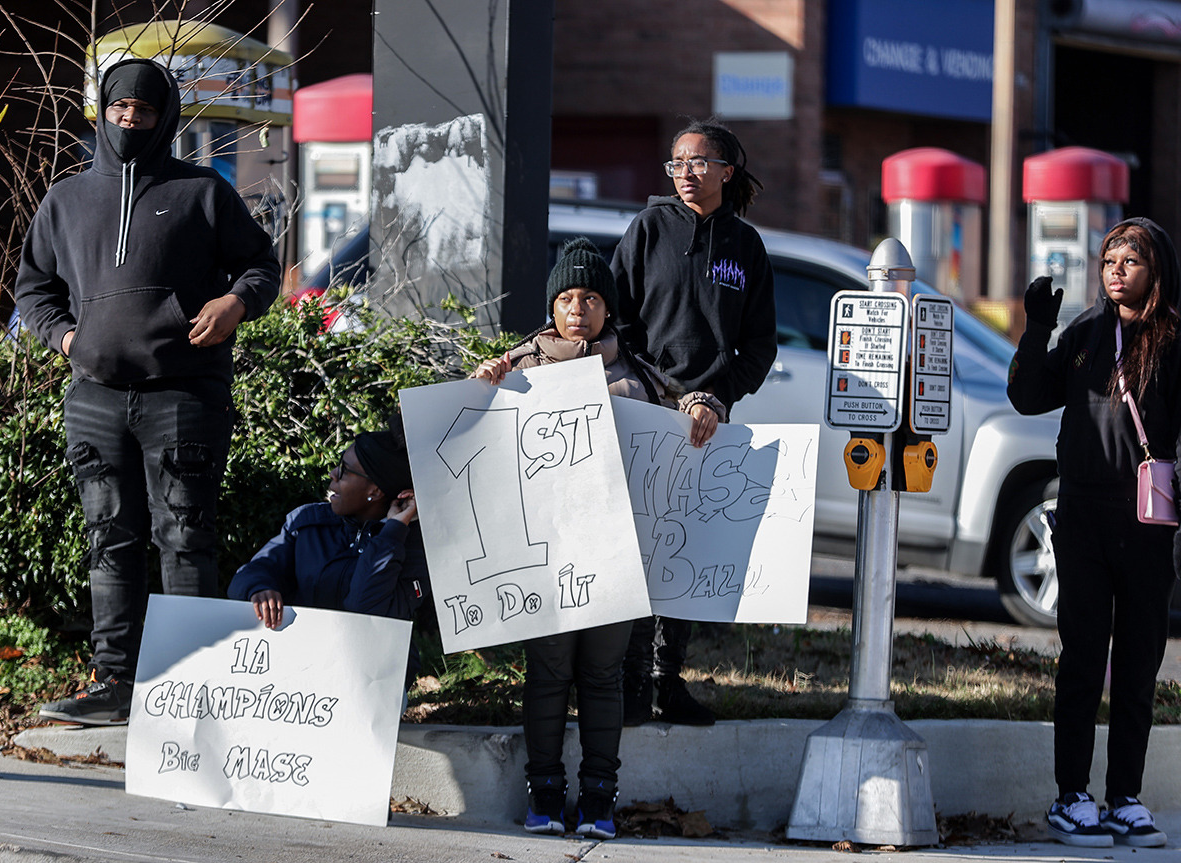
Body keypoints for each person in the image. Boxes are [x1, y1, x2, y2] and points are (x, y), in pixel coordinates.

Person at [15, 58, 281, 725]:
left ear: (166, 117)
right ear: (103, 112)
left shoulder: (203, 193)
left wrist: (234, 304)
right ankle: (115, 684)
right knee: (109, 536)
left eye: (145, 111)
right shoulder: (67, 200)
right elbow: (34, 288)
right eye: (119, 109)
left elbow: (261, 266)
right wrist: (67, 338)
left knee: (185, 535)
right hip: (96, 396)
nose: (130, 121)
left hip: (184, 394)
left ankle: (192, 688)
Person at [473, 237, 724, 839]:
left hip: (616, 551)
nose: (578, 308)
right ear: (553, 306)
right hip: (544, 552)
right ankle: (545, 795)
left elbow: (682, 409)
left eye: (590, 297)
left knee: (604, 677)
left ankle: (598, 801)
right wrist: (478, 387)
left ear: (608, 307)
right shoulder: (521, 367)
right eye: (566, 298)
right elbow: (468, 438)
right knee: (550, 672)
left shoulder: (637, 371)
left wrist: (703, 404)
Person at [1008, 217, 1180, 849]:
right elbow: (1029, 397)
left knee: (1139, 664)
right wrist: (1036, 328)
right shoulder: (1084, 330)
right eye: (1110, 257)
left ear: (1155, 269)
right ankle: (1071, 797)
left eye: (1130, 259)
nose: (1116, 268)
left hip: (1148, 525)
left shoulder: (1172, 339)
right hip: (1081, 516)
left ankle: (1125, 800)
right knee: (1082, 658)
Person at [610, 117, 776, 726]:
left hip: (707, 421)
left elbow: (759, 346)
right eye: (677, 162)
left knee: (684, 550)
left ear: (726, 172)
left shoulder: (746, 247)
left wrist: (715, 397)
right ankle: (626, 682)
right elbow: (618, 323)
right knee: (635, 549)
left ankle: (665, 680)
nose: (685, 172)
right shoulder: (648, 229)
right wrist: (649, 389)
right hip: (644, 409)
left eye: (698, 162)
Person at [227, 424, 426, 689]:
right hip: (300, 678)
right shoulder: (307, 524)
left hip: (372, 688)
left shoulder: (414, 548)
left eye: (344, 470)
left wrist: (391, 535)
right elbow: (253, 572)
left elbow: (366, 612)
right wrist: (259, 588)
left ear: (375, 492)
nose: (332, 474)